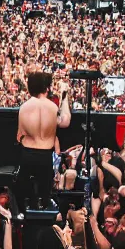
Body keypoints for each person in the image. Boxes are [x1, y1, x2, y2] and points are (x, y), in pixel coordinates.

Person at [16, 71, 72, 209]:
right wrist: (65, 98)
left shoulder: (24, 108)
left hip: (27, 155)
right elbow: (65, 122)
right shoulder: (52, 107)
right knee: (45, 197)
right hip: (45, 156)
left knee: (25, 197)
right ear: (47, 88)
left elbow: (19, 136)